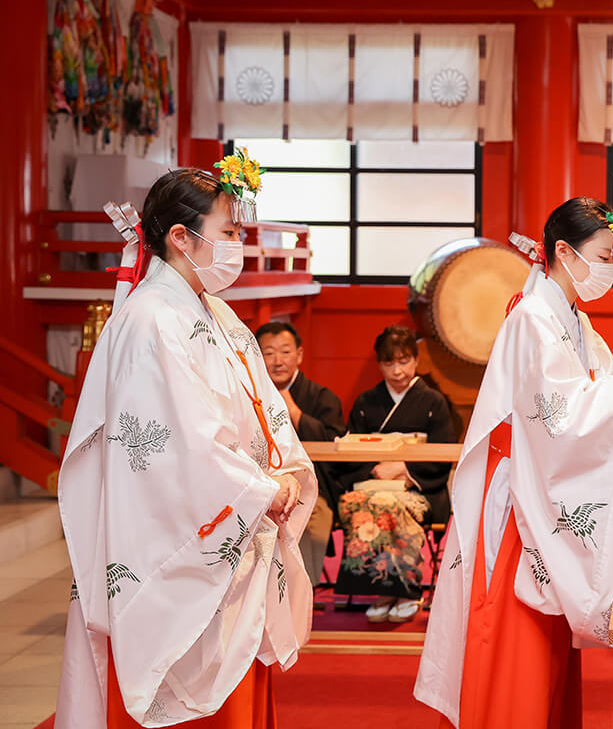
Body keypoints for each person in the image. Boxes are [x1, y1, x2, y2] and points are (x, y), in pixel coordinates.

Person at [55, 161, 316, 727]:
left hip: (240, 517)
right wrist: (261, 486)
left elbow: (257, 405)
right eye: (228, 233)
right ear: (180, 237)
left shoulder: (209, 310)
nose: (237, 246)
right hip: (196, 525)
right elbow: (174, 443)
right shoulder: (153, 317)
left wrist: (283, 469)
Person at [415, 198, 613, 728]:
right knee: (519, 645)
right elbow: (565, 415)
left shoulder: (572, 320)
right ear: (563, 251)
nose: (610, 269)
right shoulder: (533, 318)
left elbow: (596, 391)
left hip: (542, 486)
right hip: (521, 499)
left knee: (546, 654)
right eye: (604, 255)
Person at [334, 324, 457, 623]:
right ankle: (387, 590)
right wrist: (378, 471)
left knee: (392, 507)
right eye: (389, 363)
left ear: (416, 361)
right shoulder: (366, 403)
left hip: (419, 488)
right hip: (373, 483)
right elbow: (350, 451)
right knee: (364, 503)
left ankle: (402, 590)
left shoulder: (433, 402)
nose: (398, 370)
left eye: (404, 361)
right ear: (380, 365)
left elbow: (444, 455)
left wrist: (405, 469)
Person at [256, 321, 346, 591]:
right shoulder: (250, 394)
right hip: (260, 483)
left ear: (299, 354)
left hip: (311, 485)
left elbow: (332, 440)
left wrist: (293, 410)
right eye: (268, 353)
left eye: (285, 352)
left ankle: (302, 589)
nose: (277, 361)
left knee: (310, 514)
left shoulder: (321, 396)